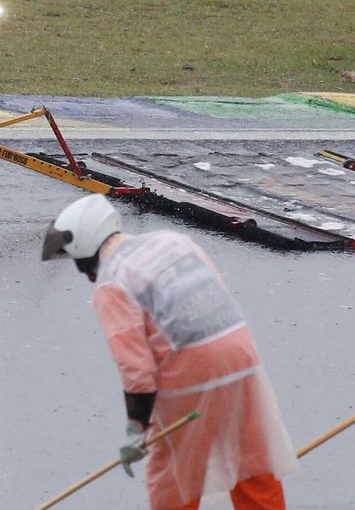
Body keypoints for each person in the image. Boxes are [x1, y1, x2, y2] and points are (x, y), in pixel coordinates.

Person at [42, 195, 296, 509]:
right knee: (252, 461)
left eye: (81, 266)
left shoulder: (112, 281)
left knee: (173, 473)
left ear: (86, 250)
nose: (87, 275)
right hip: (240, 355)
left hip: (190, 373)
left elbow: (136, 369)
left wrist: (136, 428)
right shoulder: (174, 242)